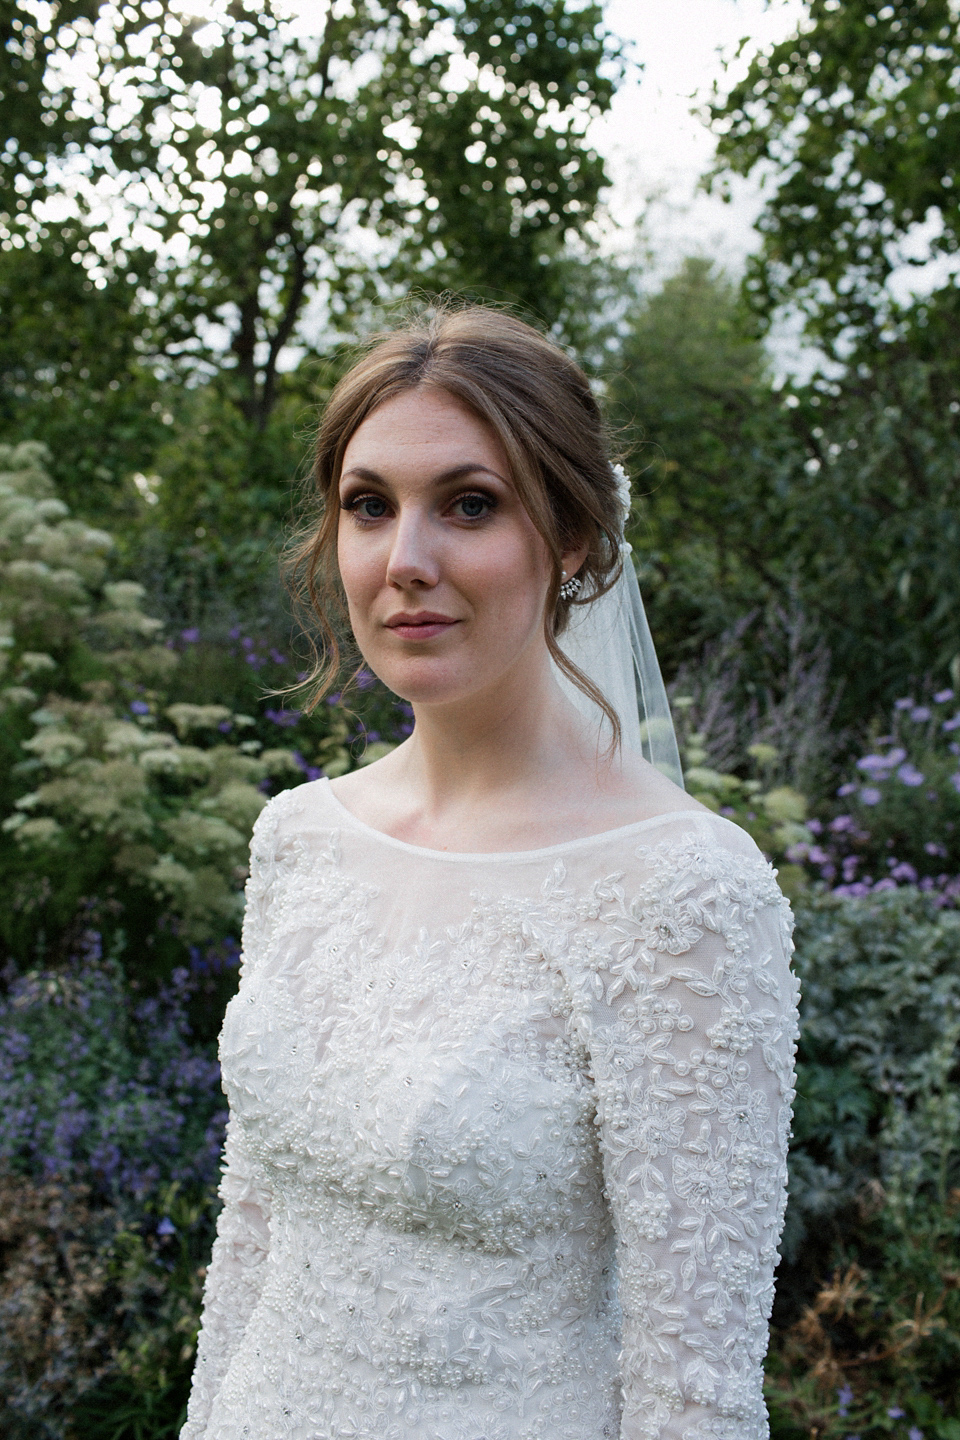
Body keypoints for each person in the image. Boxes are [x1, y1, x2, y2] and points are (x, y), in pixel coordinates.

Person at [181, 306, 798, 1440]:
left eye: (469, 504)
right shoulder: (299, 840)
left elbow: (694, 1395)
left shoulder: (681, 894)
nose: (405, 561)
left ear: (571, 538)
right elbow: (255, 1235)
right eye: (369, 506)